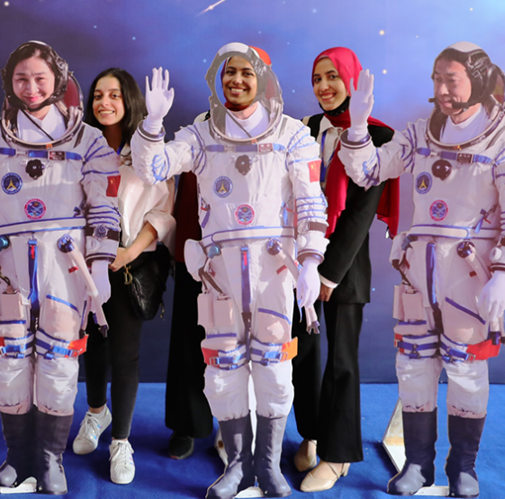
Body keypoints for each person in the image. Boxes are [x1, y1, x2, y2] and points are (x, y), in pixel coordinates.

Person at [337, 42, 505, 497]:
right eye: (437, 79)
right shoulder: (419, 134)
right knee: (413, 367)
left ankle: (463, 466)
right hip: (419, 273)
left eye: (451, 80)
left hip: (470, 276)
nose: (442, 89)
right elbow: (367, 172)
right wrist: (358, 126)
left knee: (466, 372)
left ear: (479, 81)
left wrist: (504, 275)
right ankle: (418, 464)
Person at [0, 42, 120, 495]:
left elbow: (104, 207)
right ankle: (18, 455)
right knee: (9, 362)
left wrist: (101, 264)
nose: (31, 88)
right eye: (21, 79)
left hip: (64, 266)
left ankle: (50, 459)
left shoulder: (87, 139)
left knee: (58, 362)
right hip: (5, 265)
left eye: (40, 78)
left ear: (58, 80)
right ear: (9, 83)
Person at [132, 43, 329, 499]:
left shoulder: (293, 134)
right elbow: (153, 167)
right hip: (220, 274)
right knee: (223, 370)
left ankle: (268, 467)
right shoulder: (201, 133)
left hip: (273, 271)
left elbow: (310, 202)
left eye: (245, 72)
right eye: (227, 73)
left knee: (275, 370)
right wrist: (153, 124)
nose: (236, 80)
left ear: (263, 78)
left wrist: (310, 261)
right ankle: (238, 467)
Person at [290, 47, 400, 492]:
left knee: (340, 362)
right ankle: (312, 434)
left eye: (332, 76)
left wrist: (329, 273)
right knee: (302, 355)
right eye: (317, 78)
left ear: (351, 79)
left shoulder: (378, 135)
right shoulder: (303, 128)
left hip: (344, 267)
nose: (324, 86)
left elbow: (360, 213)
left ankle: (338, 457)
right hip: (299, 259)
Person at [72, 68, 176, 484]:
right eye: (98, 95)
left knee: (124, 353)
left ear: (129, 100)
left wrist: (128, 251)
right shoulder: (80, 147)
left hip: (129, 265)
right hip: (84, 265)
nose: (105, 103)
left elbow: (163, 210)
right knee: (93, 346)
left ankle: (121, 441)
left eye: (114, 95)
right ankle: (96, 413)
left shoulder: (148, 150)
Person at [164, 167, 214, 460]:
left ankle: (237, 426)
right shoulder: (197, 134)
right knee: (188, 328)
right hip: (195, 235)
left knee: (242, 337)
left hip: (248, 239)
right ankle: (186, 423)